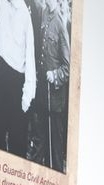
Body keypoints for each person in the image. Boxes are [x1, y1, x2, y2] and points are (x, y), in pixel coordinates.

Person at [0, 0, 37, 155]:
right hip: (1, 73)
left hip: (17, 81)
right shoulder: (2, 3)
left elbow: (30, 57)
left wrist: (28, 93)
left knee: (17, 140)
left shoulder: (25, 15)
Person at [40, 0, 70, 171]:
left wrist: (55, 74)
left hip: (56, 97)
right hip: (45, 93)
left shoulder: (60, 23)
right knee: (43, 140)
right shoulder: (45, 14)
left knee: (55, 149)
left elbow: (68, 67)